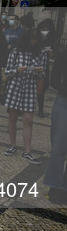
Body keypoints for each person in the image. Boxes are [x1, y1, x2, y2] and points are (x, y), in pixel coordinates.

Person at [3, 29, 48, 165]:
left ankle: (27, 151)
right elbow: (7, 71)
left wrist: (39, 72)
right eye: (31, 39)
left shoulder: (41, 54)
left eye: (35, 40)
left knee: (28, 120)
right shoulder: (16, 52)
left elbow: (43, 74)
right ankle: (13, 145)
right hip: (15, 86)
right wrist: (17, 70)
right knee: (13, 117)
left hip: (30, 88)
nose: (33, 42)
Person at [43, 48, 67, 205]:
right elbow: (54, 81)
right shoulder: (64, 54)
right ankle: (55, 186)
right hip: (64, 102)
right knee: (58, 148)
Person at [35, 18, 59, 117]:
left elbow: (55, 54)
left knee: (41, 88)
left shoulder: (52, 40)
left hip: (43, 67)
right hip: (33, 65)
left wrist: (52, 54)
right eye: (43, 29)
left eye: (46, 29)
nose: (44, 31)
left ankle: (40, 109)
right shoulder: (35, 38)